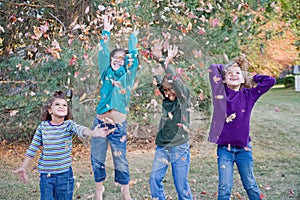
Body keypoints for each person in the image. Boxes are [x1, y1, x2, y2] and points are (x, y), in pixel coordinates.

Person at [13, 90, 108, 200]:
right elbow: (32, 148)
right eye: (57, 104)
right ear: (50, 110)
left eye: (64, 105)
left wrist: (93, 132)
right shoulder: (43, 127)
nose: (61, 107)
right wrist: (24, 167)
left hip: (65, 176)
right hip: (46, 176)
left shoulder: (68, 125)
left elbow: (80, 129)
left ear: (67, 111)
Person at [208, 56, 276, 200]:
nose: (234, 75)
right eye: (230, 73)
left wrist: (250, 75)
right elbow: (213, 67)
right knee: (224, 187)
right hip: (224, 150)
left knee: (250, 185)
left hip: (243, 149)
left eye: (238, 73)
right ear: (224, 79)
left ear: (243, 79)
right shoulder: (219, 93)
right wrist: (230, 66)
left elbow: (270, 81)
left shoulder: (248, 95)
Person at [90, 14, 139, 200]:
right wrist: (106, 30)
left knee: (120, 160)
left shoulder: (127, 77)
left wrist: (132, 37)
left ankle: (125, 192)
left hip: (118, 127)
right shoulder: (105, 73)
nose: (118, 60)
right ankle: (99, 190)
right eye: (115, 57)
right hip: (100, 124)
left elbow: (133, 56)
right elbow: (103, 52)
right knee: (97, 159)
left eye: (122, 58)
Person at [149, 42, 193, 200]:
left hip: (179, 147)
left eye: (170, 89)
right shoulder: (167, 99)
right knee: (154, 180)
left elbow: (175, 80)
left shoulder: (183, 98)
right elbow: (160, 81)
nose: (167, 94)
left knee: (181, 185)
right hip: (162, 146)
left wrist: (164, 61)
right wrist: (156, 60)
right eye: (165, 90)